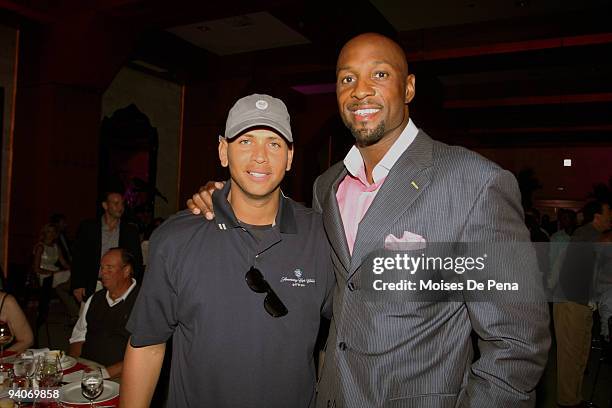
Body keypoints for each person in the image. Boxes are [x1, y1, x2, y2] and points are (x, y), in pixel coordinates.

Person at [188, 33, 550, 407]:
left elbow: (518, 343)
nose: (360, 91)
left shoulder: (475, 183)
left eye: (379, 74)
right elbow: (330, 294)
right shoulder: (326, 187)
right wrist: (226, 197)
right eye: (347, 79)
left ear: (408, 88)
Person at [121, 94, 334, 408]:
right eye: (246, 141)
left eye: (274, 144)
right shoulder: (176, 238)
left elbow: (342, 338)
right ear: (223, 151)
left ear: (290, 157)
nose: (260, 157)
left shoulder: (322, 237)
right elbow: (147, 345)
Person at [555, 200, 611, 407]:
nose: (610, 217)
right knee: (571, 356)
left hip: (582, 303)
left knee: (580, 354)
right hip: (570, 303)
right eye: (608, 213)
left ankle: (574, 398)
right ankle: (567, 401)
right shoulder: (586, 233)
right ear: (597, 217)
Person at [68, 248, 139, 379]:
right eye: (102, 268)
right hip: (87, 369)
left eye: (109, 268)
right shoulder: (95, 299)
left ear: (126, 270)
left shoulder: (143, 303)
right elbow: (78, 337)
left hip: (122, 376)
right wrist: (74, 369)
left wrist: (101, 375)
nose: (102, 274)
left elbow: (142, 356)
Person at [71, 191, 143, 303]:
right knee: (87, 318)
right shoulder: (89, 228)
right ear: (105, 205)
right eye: (116, 203)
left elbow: (136, 261)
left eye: (122, 204)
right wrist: (78, 284)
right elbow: (78, 257)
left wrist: (132, 286)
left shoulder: (130, 231)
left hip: (120, 285)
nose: (120, 207)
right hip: (93, 284)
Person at [32, 223, 71, 327]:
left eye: (53, 232)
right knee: (56, 278)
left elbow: (64, 263)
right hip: (43, 274)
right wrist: (52, 273)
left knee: (71, 274)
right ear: (44, 233)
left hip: (55, 273)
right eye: (49, 231)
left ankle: (71, 301)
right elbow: (36, 268)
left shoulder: (56, 246)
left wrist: (74, 270)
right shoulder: (40, 247)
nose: (51, 234)